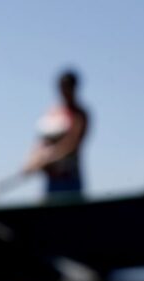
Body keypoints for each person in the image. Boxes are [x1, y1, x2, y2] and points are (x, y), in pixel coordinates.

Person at [24, 70, 89, 198]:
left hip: (70, 179)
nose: (64, 92)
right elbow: (42, 142)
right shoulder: (53, 113)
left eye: (68, 87)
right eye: (62, 87)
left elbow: (73, 143)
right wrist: (32, 160)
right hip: (52, 181)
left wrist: (48, 158)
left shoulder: (80, 114)